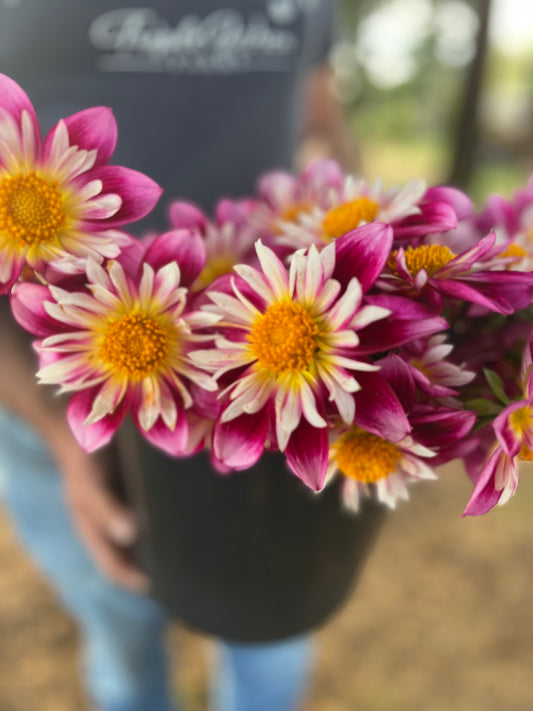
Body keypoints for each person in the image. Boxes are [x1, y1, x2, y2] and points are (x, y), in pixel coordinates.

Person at [0, 2, 374, 710]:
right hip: (72, 393)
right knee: (123, 634)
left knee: (272, 633)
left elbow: (320, 114)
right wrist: (62, 433)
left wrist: (347, 224)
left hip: (270, 379)